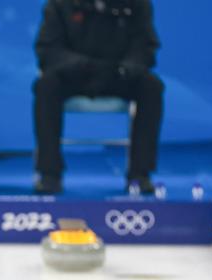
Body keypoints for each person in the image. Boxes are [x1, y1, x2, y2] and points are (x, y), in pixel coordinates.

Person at [33, 0, 163, 194]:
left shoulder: (137, 4)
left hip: (118, 73)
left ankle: (140, 174)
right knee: (45, 86)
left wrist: (125, 68)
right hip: (75, 73)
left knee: (151, 87)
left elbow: (145, 47)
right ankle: (49, 174)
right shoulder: (60, 4)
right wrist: (82, 66)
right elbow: (48, 49)